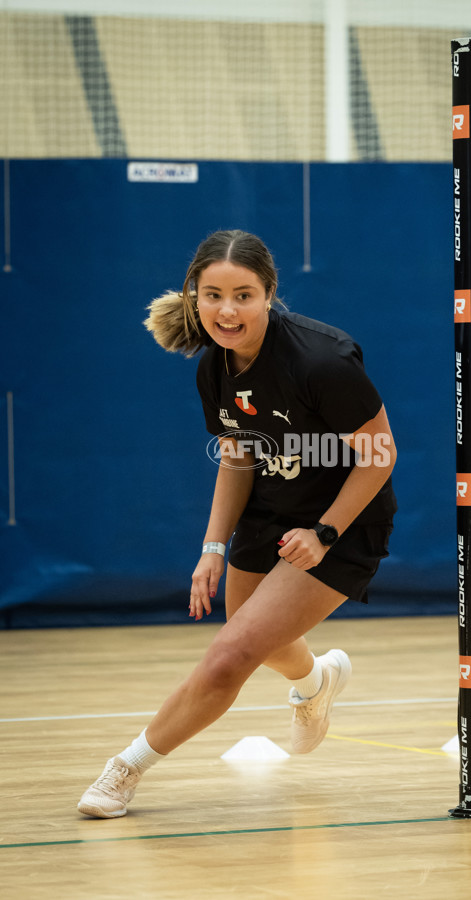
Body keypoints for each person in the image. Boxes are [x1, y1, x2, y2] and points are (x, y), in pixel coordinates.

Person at [77, 229, 397, 818]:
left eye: (244, 295)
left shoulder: (322, 361)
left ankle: (124, 770)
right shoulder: (213, 370)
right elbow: (237, 457)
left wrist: (324, 533)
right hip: (268, 514)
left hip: (342, 523)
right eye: (213, 294)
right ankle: (317, 683)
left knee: (231, 655)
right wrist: (212, 547)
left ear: (269, 295)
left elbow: (381, 456)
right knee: (259, 640)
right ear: (193, 296)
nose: (228, 310)